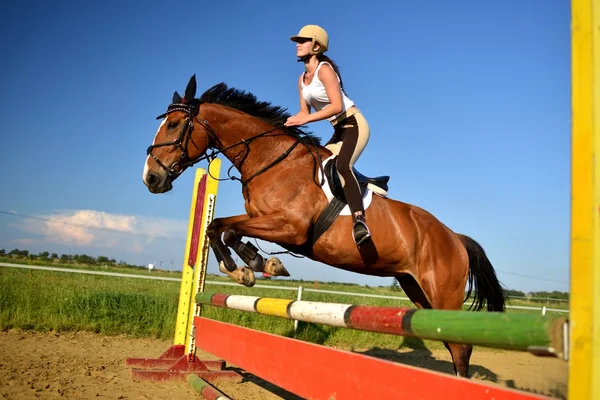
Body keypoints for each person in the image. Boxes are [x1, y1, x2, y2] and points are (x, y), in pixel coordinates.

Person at [285, 24, 371, 246]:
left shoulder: (325, 70)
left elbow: (336, 106)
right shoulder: (301, 79)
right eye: (297, 41)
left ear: (315, 45)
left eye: (302, 40)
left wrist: (305, 119)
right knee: (316, 165)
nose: (297, 44)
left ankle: (360, 221)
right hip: (338, 130)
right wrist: (287, 123)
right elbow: (304, 113)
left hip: (354, 124)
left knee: (343, 166)